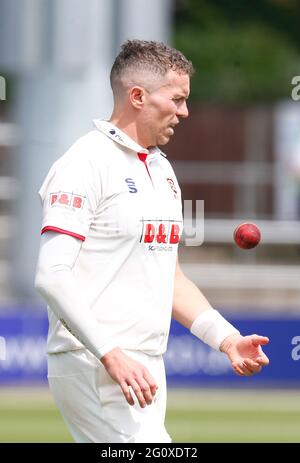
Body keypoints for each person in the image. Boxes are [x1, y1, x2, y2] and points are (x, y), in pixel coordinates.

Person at [34, 40, 269, 444]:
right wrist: (110, 353)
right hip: (97, 362)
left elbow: (170, 277)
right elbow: (51, 275)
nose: (185, 112)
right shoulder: (83, 163)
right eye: (177, 99)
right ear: (138, 97)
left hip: (142, 364)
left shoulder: (161, 169)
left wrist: (226, 338)